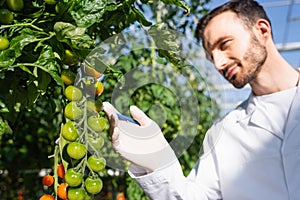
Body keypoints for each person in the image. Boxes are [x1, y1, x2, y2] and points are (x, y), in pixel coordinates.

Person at [103, 0, 300, 199]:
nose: (219, 63)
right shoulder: (224, 132)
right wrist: (158, 161)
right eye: (211, 57)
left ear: (262, 30)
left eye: (224, 44)